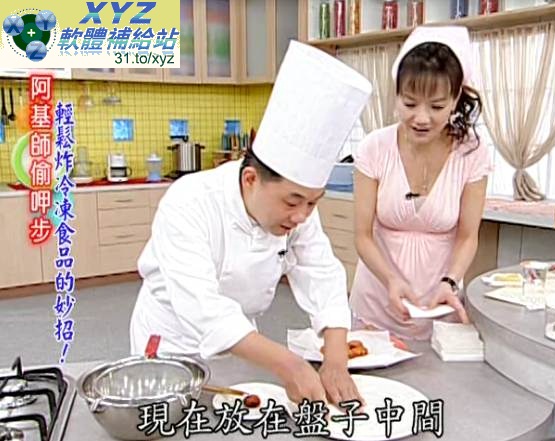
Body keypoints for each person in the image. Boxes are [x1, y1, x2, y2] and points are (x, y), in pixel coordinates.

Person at [129, 40, 373, 404]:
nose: (302, 215)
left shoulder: (299, 210)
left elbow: (323, 274)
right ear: (250, 180)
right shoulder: (188, 202)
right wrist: (289, 364)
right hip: (173, 345)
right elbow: (202, 307)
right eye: (293, 201)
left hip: (243, 345)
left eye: (313, 202)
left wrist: (335, 361)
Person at [350, 26, 492, 340]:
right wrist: (391, 280)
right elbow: (362, 236)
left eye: (437, 106)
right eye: (410, 103)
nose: (422, 118)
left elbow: (468, 237)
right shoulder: (374, 148)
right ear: (396, 95)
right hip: (377, 299)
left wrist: (450, 281)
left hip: (438, 302)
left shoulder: (472, 153)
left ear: (455, 99)